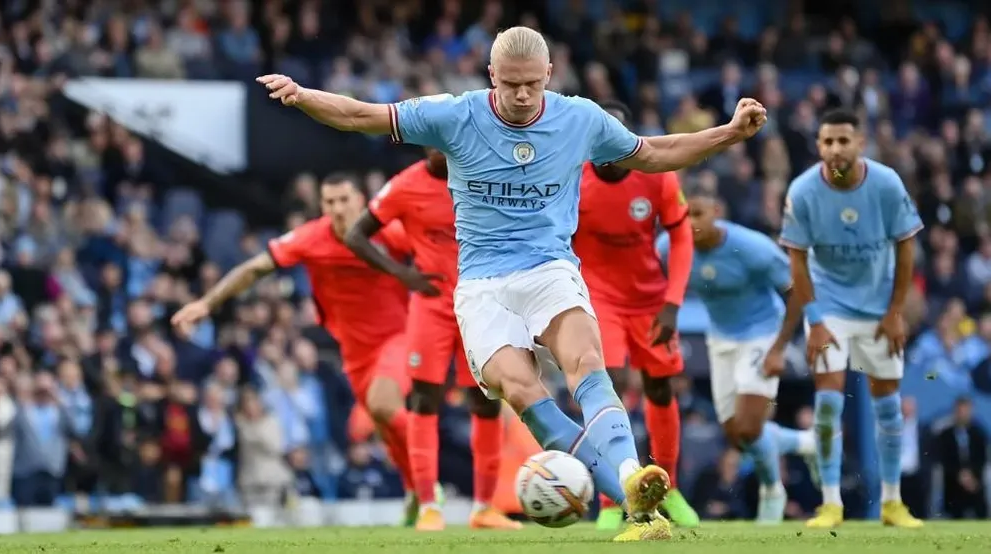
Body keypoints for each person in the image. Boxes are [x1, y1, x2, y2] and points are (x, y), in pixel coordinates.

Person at [256, 25, 766, 541]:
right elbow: (361, 115)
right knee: (522, 391)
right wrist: (303, 96)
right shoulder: (456, 114)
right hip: (481, 286)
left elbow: (655, 153)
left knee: (587, 361)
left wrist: (729, 133)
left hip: (549, 269)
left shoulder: (581, 118)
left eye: (532, 85)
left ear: (550, 75)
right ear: (491, 76)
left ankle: (632, 476)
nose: (522, 96)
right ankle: (630, 499)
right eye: (510, 84)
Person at [170, 174, 418, 522]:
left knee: (384, 404)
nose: (338, 209)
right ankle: (416, 489)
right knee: (382, 420)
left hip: (398, 337)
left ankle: (428, 484)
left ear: (361, 200)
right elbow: (255, 267)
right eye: (329, 202)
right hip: (353, 350)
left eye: (344, 200)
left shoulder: (388, 232)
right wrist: (207, 303)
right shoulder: (312, 237)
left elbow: (434, 251)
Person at [344, 148, 520, 531]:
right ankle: (428, 505)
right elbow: (355, 235)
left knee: (486, 399)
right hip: (432, 307)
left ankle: (484, 508)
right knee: (425, 399)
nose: (444, 145)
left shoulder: (483, 175)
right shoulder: (405, 185)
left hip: (480, 305)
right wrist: (401, 273)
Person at [776, 108, 924, 529]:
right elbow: (797, 261)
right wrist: (815, 319)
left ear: (860, 143)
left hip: (879, 307)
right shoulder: (803, 190)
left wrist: (896, 312)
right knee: (827, 403)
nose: (836, 149)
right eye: (828, 141)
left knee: (888, 405)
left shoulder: (886, 183)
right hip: (830, 307)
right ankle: (830, 503)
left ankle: (892, 502)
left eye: (844, 140)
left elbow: (906, 247)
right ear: (818, 146)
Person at [572, 100, 699, 530]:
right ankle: (613, 499)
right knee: (607, 384)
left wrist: (673, 302)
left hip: (649, 301)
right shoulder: (573, 176)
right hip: (598, 298)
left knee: (660, 389)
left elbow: (682, 237)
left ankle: (669, 488)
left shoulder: (657, 174)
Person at [659, 191, 817, 524]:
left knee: (748, 426)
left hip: (762, 333)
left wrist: (779, 348)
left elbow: (798, 291)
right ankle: (806, 442)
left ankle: (772, 490)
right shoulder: (668, 247)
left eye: (698, 213)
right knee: (736, 434)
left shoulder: (752, 247)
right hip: (720, 338)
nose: (691, 223)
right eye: (684, 215)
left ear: (717, 211)